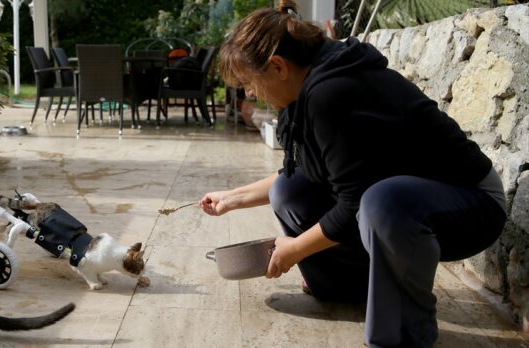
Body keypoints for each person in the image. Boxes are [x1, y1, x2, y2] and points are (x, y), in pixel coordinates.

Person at [198, 1, 507, 347]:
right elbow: (307, 173)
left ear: (278, 67)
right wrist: (233, 198)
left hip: (472, 202)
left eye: (248, 83)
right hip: (403, 201)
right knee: (289, 190)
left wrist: (294, 250)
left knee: (382, 202)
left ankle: (403, 335)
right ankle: (345, 287)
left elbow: (355, 202)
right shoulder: (302, 93)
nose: (250, 94)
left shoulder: (334, 92)